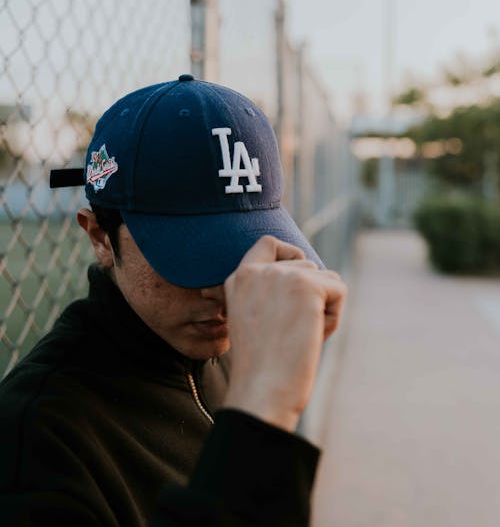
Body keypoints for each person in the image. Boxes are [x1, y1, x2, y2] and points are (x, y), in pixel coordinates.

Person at [0, 76, 347, 526]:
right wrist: (262, 414)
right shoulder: (36, 441)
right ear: (100, 237)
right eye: (190, 256)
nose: (223, 289)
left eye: (245, 252)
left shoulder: (228, 346)